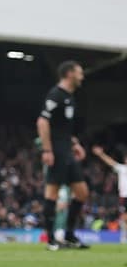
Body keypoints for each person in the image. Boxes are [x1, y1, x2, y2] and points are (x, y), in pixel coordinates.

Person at [37, 61, 90, 250]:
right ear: (69, 74)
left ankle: (69, 236)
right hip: (57, 151)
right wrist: (47, 150)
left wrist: (75, 144)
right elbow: (43, 121)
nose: (82, 76)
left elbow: (63, 128)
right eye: (79, 72)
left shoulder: (70, 97)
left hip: (67, 149)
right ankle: (51, 240)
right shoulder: (55, 94)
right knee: (52, 193)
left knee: (82, 193)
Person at [90, 144, 127, 243]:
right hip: (124, 197)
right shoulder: (122, 169)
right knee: (124, 217)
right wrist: (101, 154)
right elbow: (110, 162)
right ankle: (124, 236)